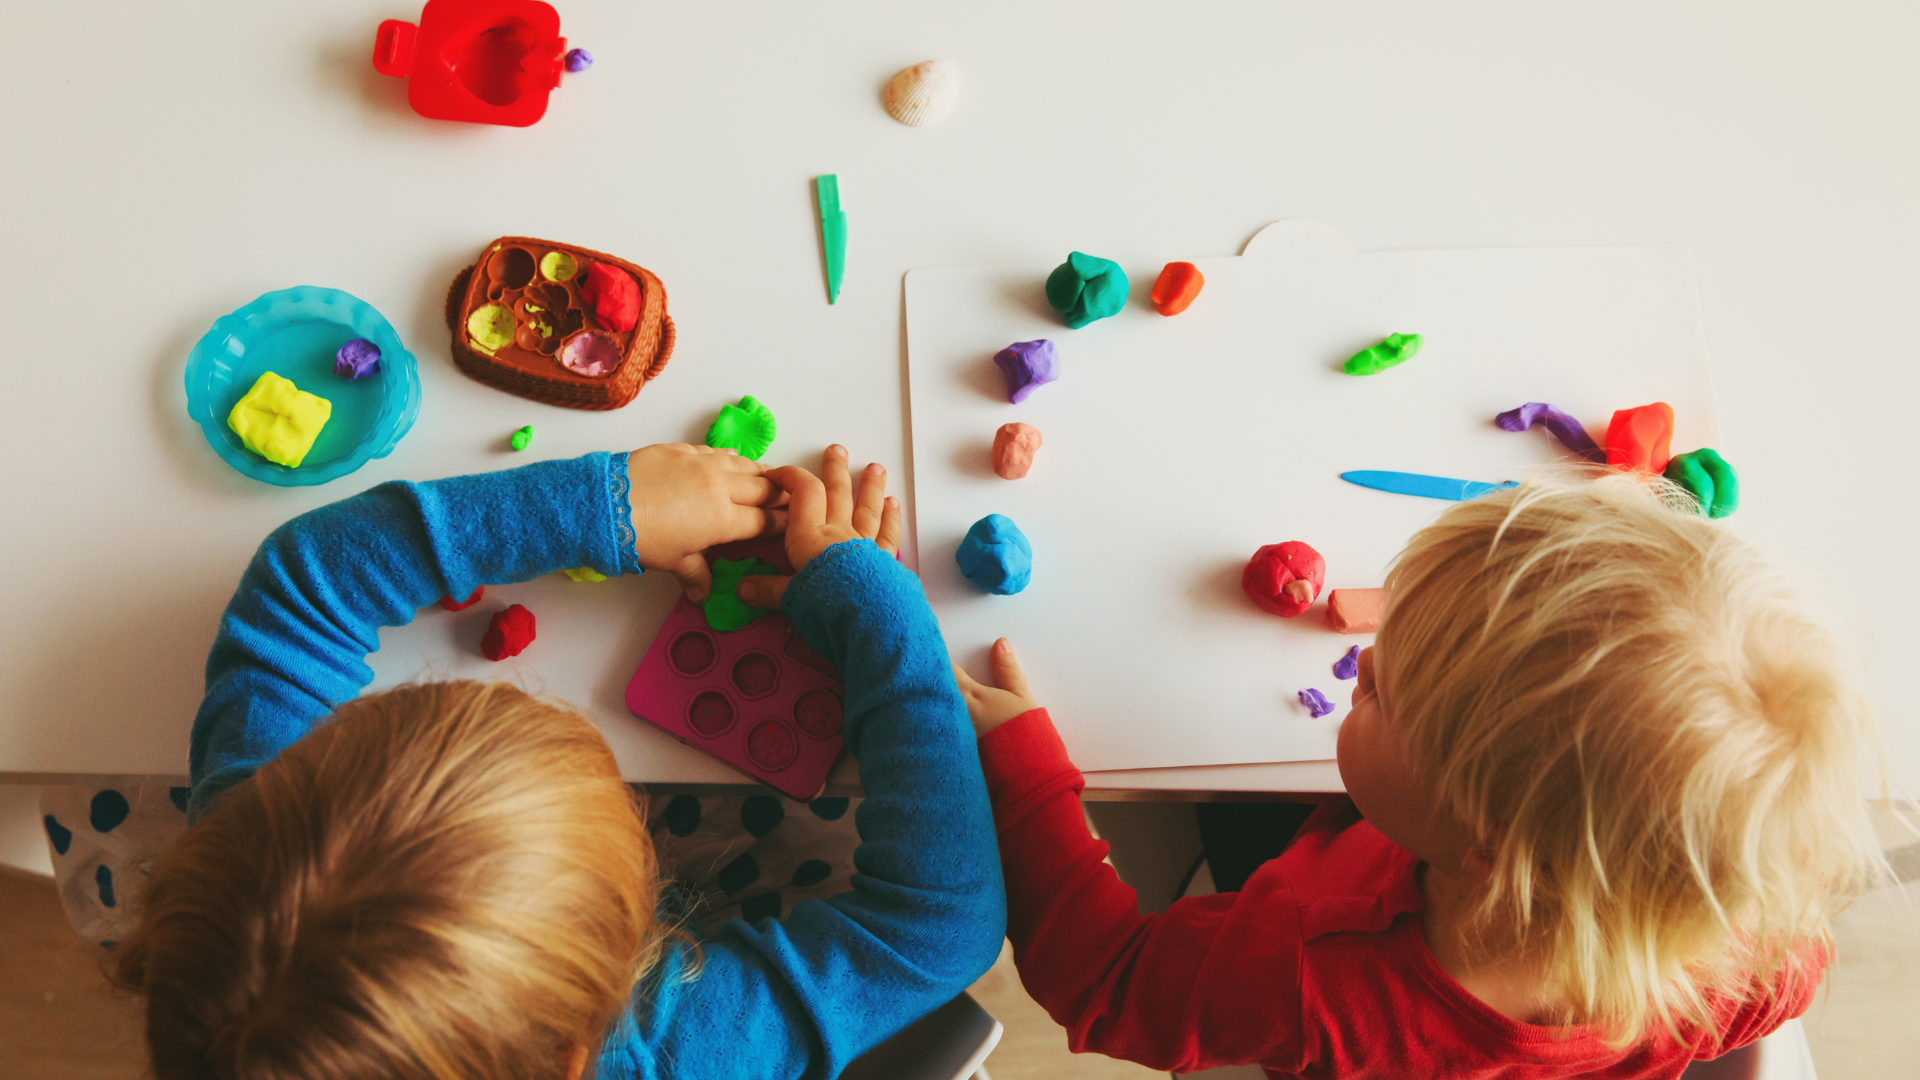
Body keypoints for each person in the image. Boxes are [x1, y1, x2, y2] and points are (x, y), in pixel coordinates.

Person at [107, 443, 1005, 1080]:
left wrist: (604, 507)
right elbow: (938, 924)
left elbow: (300, 590)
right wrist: (877, 605)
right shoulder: (664, 1055)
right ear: (582, 1041)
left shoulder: (254, 861)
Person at [954, 473, 1889, 1078]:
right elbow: (1797, 972)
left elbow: (1110, 979)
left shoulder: (1311, 975)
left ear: (1482, 843)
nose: (1360, 665)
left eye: (1386, 692)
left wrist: (1021, 768)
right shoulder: (1746, 942)